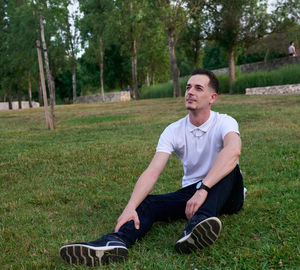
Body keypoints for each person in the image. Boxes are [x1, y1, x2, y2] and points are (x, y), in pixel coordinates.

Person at [60, 69, 245, 267]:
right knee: (150, 204)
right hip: (192, 195)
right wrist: (131, 207)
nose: (190, 92)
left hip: (228, 194)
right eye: (188, 87)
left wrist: (204, 188)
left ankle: (197, 226)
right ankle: (116, 241)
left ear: (212, 98)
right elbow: (152, 171)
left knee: (230, 166)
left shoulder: (225, 121)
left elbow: (233, 150)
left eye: (198, 88)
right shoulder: (173, 130)